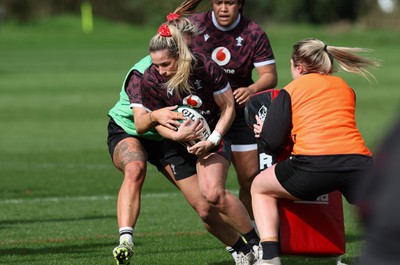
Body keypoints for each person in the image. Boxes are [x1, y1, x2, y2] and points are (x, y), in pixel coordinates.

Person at [140, 12, 261, 265]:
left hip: (211, 136)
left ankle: (259, 245)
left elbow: (228, 107)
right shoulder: (150, 79)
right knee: (205, 210)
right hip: (175, 144)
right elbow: (155, 122)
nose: (160, 71)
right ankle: (242, 251)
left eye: (165, 65)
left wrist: (213, 138)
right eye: (156, 65)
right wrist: (176, 134)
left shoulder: (205, 68)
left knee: (213, 193)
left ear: (179, 56)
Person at [250, 38, 379, 265]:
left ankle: (269, 257)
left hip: (313, 165)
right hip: (359, 162)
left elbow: (271, 143)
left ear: (298, 67)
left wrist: (264, 130)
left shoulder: (291, 89)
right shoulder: (344, 87)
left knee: (259, 188)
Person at [189, 0, 278, 230]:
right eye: (218, 2)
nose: (223, 8)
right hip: (205, 115)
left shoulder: (253, 32)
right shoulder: (194, 26)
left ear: (240, 4)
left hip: (239, 114)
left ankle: (253, 231)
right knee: (209, 191)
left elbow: (269, 74)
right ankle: (232, 234)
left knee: (249, 178)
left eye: (230, 2)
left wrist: (251, 90)